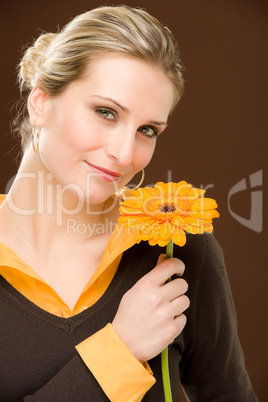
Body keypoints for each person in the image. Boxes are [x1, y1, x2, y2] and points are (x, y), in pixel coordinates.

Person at [0, 5, 257, 401]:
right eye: (106, 112)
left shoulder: (176, 249)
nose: (124, 154)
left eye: (147, 130)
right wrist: (118, 353)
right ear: (41, 102)